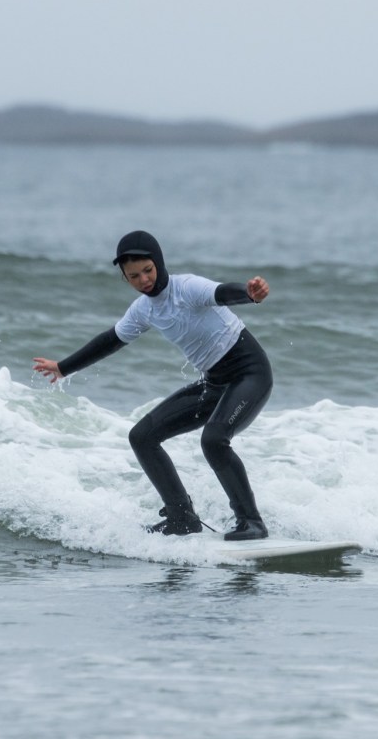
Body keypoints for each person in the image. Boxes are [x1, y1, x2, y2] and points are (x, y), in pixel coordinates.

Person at [32, 230, 274, 541]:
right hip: (215, 383)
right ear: (125, 278)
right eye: (133, 276)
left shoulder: (187, 287)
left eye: (148, 270)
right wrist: (63, 368)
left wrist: (249, 293)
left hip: (249, 373)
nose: (143, 279)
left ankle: (251, 522)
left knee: (214, 440)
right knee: (142, 436)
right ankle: (181, 517)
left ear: (158, 263)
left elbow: (223, 293)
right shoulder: (143, 310)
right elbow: (110, 341)